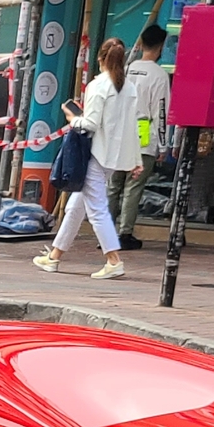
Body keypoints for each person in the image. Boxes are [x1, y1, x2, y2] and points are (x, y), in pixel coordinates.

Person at [35, 37, 139, 280]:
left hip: (93, 154)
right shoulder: (129, 88)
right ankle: (54, 256)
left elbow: (89, 124)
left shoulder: (99, 86)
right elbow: (132, 126)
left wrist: (72, 118)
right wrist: (136, 158)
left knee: (97, 209)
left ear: (100, 59)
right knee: (76, 205)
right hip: (113, 157)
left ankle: (114, 260)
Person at [112, 24, 169, 248]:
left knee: (114, 185)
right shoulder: (160, 75)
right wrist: (163, 146)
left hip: (120, 132)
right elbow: (160, 112)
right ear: (161, 46)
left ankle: (105, 231)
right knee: (133, 186)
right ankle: (125, 232)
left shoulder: (127, 69)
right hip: (144, 131)